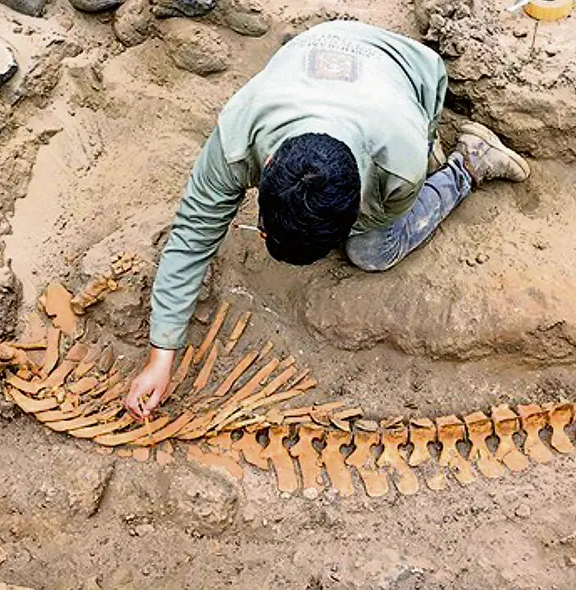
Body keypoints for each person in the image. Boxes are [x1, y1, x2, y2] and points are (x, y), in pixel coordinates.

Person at [124, 20, 530, 418]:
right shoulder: (240, 131)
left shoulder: (400, 165)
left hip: (408, 68)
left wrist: (347, 228)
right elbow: (193, 231)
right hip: (316, 43)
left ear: (357, 202)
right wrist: (162, 355)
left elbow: (373, 222)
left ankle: (469, 164)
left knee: (370, 251)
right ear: (266, 166)